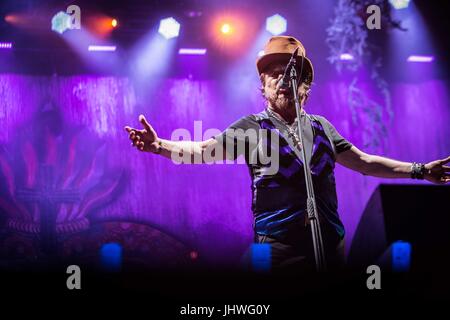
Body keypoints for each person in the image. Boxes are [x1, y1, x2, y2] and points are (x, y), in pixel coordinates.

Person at [124, 36, 450, 272]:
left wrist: (419, 170)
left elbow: (364, 162)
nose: (282, 78)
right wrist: (160, 145)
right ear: (262, 86)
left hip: (330, 245)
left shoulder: (322, 127)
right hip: (277, 249)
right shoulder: (252, 127)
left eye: (290, 73)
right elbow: (203, 151)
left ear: (306, 86)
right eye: (274, 73)